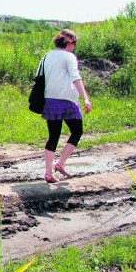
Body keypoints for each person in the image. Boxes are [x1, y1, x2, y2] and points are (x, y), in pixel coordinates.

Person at [39, 29, 92, 183]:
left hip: (51, 101)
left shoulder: (47, 56)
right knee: (77, 131)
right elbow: (76, 78)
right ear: (69, 42)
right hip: (68, 101)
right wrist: (86, 99)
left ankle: (49, 172)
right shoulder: (69, 57)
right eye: (74, 43)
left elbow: (40, 77)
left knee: (53, 136)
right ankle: (60, 163)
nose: (74, 46)